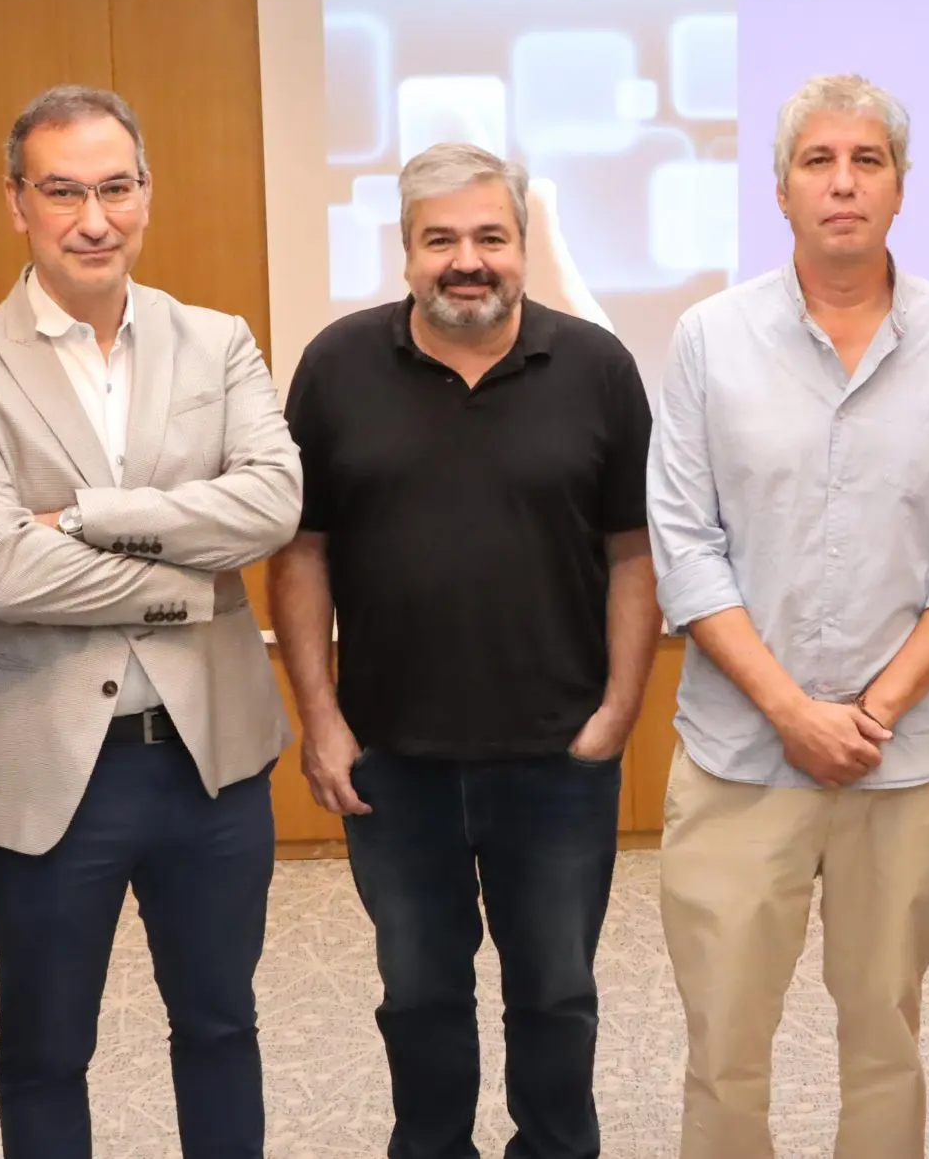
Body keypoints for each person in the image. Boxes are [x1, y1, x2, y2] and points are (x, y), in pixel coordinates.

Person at [0, 85, 303, 1159]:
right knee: (46, 1046)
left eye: (115, 188)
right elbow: (0, 569)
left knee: (220, 1023)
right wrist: (190, 577)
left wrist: (87, 517)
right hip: (44, 766)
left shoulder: (217, 342)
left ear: (146, 193)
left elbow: (271, 505)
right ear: (16, 202)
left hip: (211, 758)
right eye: (63, 192)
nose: (94, 219)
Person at [646, 72, 929, 1159]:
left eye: (867, 161)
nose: (843, 183)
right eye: (818, 161)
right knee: (724, 1042)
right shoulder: (709, 338)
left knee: (886, 1035)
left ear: (900, 186)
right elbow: (685, 547)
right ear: (781, 190)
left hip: (900, 764)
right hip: (738, 756)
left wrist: (872, 710)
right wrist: (792, 711)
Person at [270, 142, 659, 1159]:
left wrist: (619, 710)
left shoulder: (598, 368)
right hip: (393, 762)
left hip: (558, 757)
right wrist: (321, 718)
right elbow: (302, 551)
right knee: (419, 994)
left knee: (557, 993)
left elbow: (634, 550)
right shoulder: (337, 365)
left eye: (491, 236)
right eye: (440, 239)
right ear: (405, 251)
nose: (467, 260)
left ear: (523, 245)